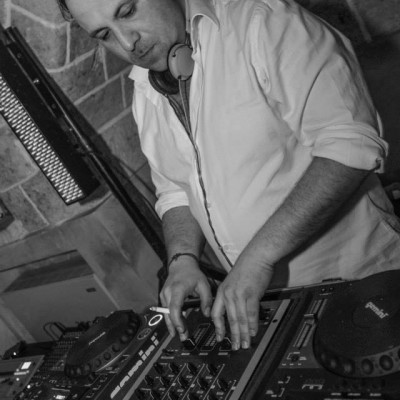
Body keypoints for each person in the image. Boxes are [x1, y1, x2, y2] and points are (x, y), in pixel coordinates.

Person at [57, 0, 400, 351]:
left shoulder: (264, 22)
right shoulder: (146, 89)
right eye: (104, 35)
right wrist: (182, 260)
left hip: (363, 279)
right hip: (273, 306)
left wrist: (257, 258)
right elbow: (176, 191)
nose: (127, 43)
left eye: (128, 12)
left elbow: (349, 146)